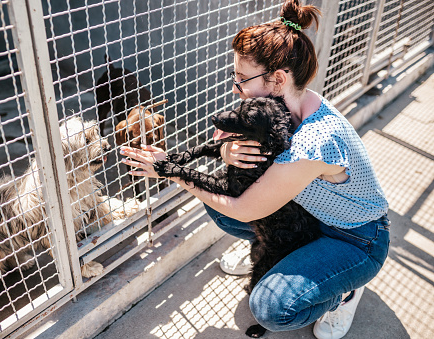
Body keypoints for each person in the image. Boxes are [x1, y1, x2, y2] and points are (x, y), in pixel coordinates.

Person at [119, 0, 390, 338]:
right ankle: (289, 261)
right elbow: (223, 140)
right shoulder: (288, 101)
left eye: (243, 79)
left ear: (277, 79)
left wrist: (171, 171)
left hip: (356, 238)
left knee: (272, 309)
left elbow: (247, 207)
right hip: (311, 218)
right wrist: (229, 150)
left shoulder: (313, 142)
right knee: (219, 201)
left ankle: (343, 292)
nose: (237, 89)